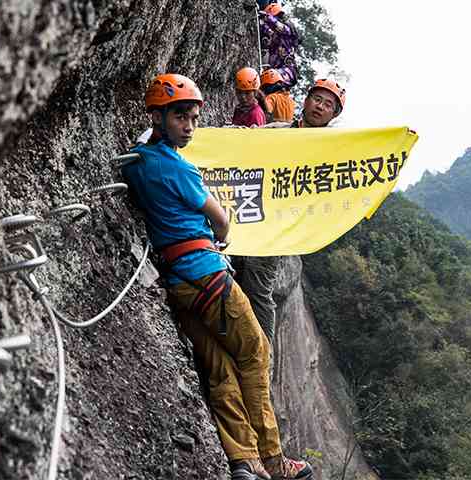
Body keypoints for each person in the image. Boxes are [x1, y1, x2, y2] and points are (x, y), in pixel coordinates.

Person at [121, 73, 313, 480]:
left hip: (177, 283)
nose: (189, 126)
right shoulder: (179, 168)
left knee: (220, 368)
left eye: (192, 117)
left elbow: (143, 146)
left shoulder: (138, 162)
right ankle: (275, 461)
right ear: (159, 116)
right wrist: (222, 238)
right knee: (256, 353)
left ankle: (244, 460)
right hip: (209, 275)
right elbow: (221, 221)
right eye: (180, 117)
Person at [235, 78, 345, 355]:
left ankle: (262, 357)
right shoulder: (278, 130)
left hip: (280, 225)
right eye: (317, 99)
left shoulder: (331, 150)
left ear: (333, 115)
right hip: (250, 208)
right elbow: (245, 143)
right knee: (234, 265)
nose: (320, 106)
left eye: (328, 104)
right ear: (306, 100)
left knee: (259, 284)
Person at [259, 2, 300, 89]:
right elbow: (266, 29)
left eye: (279, 17)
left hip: (288, 71)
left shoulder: (288, 32)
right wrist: (260, 21)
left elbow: (280, 27)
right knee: (264, 82)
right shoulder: (273, 35)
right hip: (274, 72)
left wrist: (267, 17)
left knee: (270, 79)